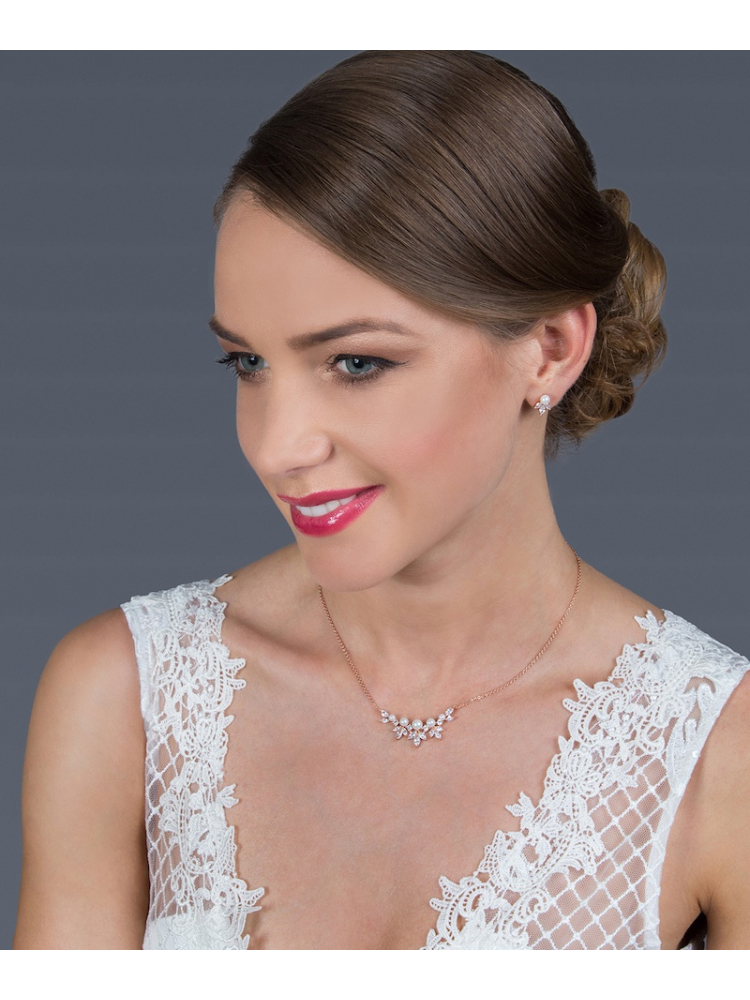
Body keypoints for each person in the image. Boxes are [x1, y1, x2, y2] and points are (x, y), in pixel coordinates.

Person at [13, 50, 750, 951]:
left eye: (356, 363)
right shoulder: (125, 698)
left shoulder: (721, 757)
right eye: (248, 363)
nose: (278, 447)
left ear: (551, 349)